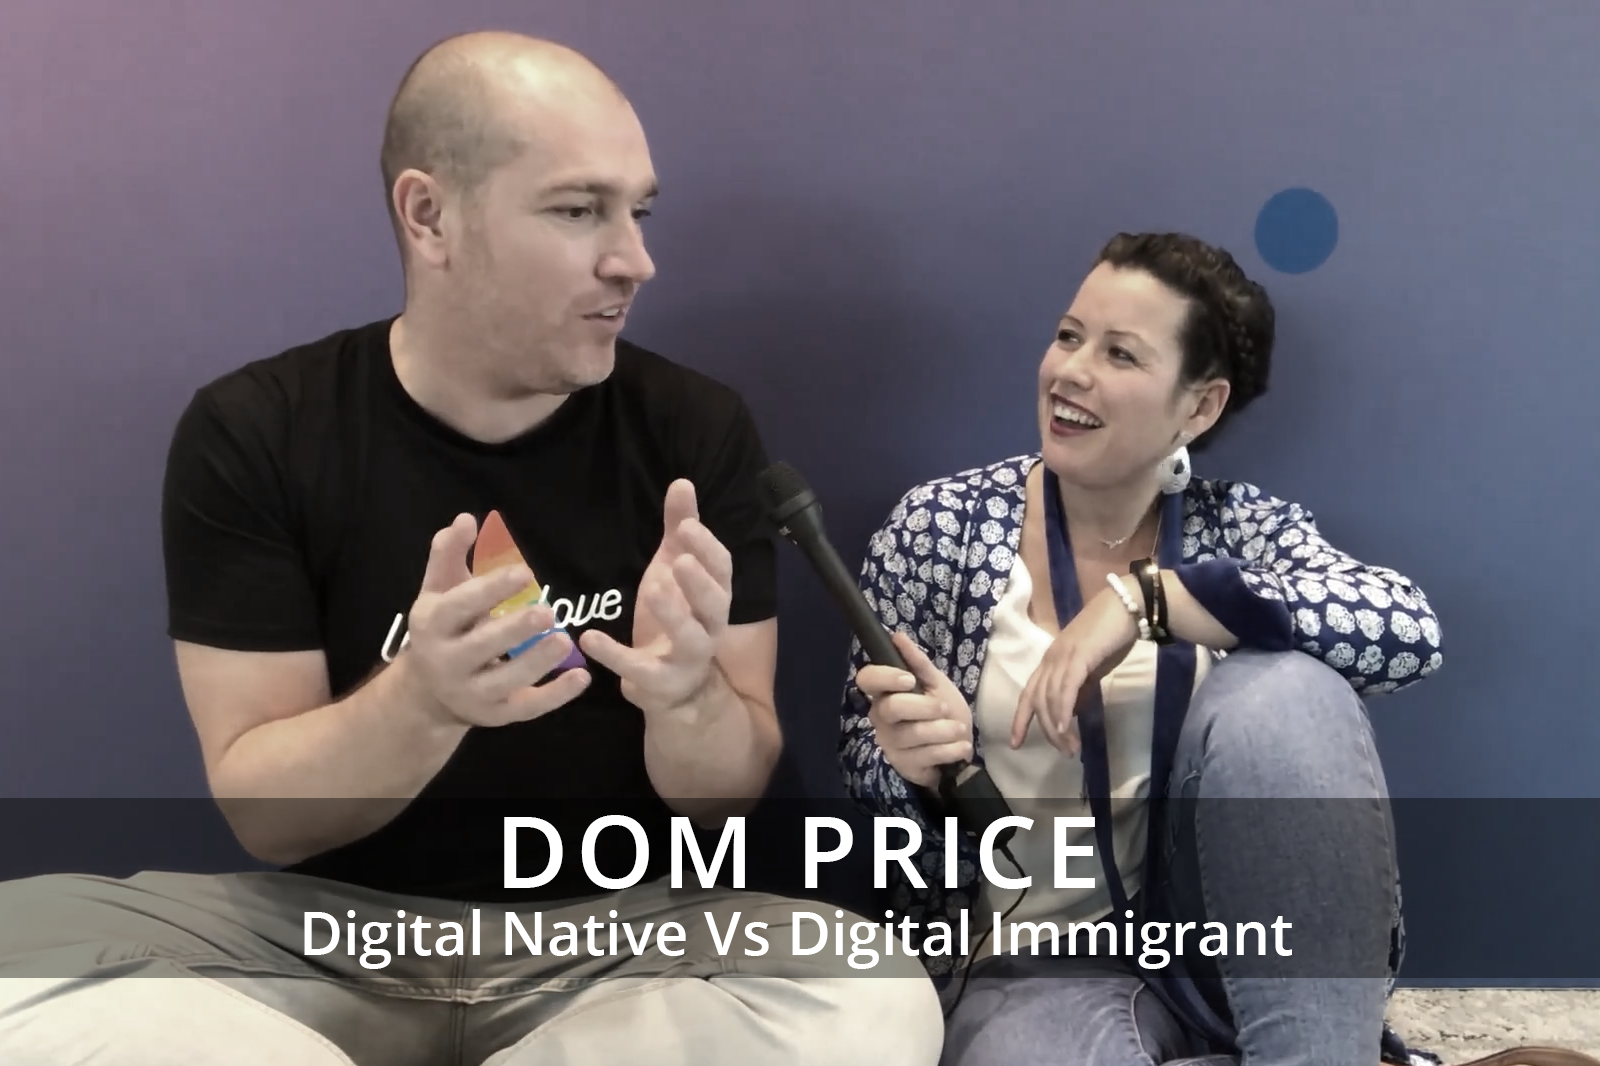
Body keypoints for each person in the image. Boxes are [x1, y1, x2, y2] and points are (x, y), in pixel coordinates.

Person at [0, 30, 943, 1066]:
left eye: (638, 210)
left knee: (868, 991)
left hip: (618, 943)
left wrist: (686, 700)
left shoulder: (694, 431)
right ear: (429, 215)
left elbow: (722, 794)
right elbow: (269, 820)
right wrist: (422, 700)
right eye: (580, 209)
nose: (634, 256)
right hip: (323, 936)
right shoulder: (256, 428)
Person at [838, 231, 1445, 1066]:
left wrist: (1149, 599)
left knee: (1288, 690)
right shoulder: (939, 530)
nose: (1071, 371)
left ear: (1198, 407)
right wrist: (911, 770)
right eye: (1067, 335)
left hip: (1229, 951)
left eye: (1120, 353)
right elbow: (863, 781)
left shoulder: (1242, 528)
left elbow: (1407, 631)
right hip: (1032, 967)